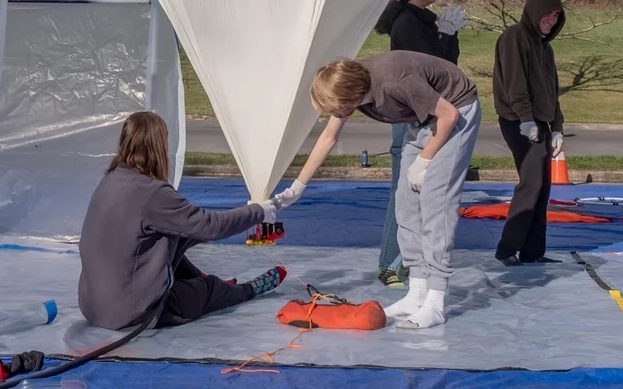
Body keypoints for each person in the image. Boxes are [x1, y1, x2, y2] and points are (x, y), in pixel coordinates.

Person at [292, 51, 481, 330]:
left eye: (337, 110)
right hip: (423, 119)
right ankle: (417, 292)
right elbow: (329, 137)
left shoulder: (395, 81)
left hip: (455, 111)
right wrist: (297, 186)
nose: (335, 116)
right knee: (405, 203)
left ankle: (435, 300)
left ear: (351, 98)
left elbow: (449, 115)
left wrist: (425, 160)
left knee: (436, 203)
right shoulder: (351, 91)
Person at [79, 111, 301, 330]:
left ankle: (199, 278)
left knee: (173, 237)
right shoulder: (154, 194)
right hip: (132, 314)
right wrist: (258, 212)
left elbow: (182, 231)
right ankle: (247, 290)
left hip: (93, 307)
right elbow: (209, 226)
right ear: (158, 147)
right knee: (208, 290)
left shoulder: (109, 181)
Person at [373, 0, 466, 288]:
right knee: (404, 191)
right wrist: (443, 36)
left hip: (430, 112)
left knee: (423, 190)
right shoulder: (407, 24)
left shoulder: (426, 22)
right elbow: (424, 68)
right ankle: (390, 264)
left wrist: (449, 34)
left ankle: (413, 261)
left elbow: (446, 66)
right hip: (412, 114)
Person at [491, 0, 565, 265]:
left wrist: (557, 127)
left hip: (540, 123)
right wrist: (525, 119)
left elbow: (552, 90)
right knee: (531, 184)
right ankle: (507, 249)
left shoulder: (545, 48)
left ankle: (533, 251)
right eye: (547, 14)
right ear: (534, 11)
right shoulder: (515, 37)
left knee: (542, 187)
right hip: (518, 122)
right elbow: (515, 83)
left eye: (556, 16)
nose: (551, 21)